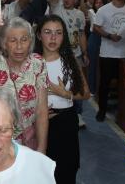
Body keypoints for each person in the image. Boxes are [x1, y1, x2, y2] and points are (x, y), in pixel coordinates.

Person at [0, 12, 49, 153]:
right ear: (4, 43)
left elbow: (41, 110)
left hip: (26, 139)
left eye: (24, 40)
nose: (19, 46)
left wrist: (42, 147)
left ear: (31, 41)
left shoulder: (38, 63)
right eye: (12, 40)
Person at [35, 15, 90, 184]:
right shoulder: (32, 62)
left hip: (66, 119)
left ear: (64, 36)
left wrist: (65, 93)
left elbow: (86, 93)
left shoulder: (69, 60)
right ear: (38, 35)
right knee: (42, 170)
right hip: (38, 121)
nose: (53, 38)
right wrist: (38, 115)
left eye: (58, 33)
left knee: (66, 169)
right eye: (48, 32)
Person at [93, 0, 125, 122]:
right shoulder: (104, 9)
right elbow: (96, 27)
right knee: (105, 83)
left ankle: (123, 111)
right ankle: (102, 110)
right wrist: (109, 35)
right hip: (108, 53)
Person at [87, 0, 105, 94]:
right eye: (97, 2)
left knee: (103, 65)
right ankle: (91, 89)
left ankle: (101, 89)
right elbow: (95, 26)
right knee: (92, 64)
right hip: (94, 37)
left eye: (101, 2)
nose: (99, 4)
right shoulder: (91, 12)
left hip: (104, 38)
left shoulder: (107, 12)